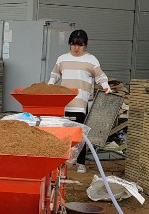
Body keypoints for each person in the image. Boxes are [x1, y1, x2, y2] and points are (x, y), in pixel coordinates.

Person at [48, 28, 112, 173]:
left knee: (80, 133)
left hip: (80, 103)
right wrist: (49, 86)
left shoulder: (91, 60)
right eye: (73, 44)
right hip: (64, 103)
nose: (76, 48)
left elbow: (100, 76)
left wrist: (106, 86)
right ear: (69, 44)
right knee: (63, 133)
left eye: (80, 45)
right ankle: (62, 161)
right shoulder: (62, 59)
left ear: (85, 45)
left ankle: (81, 162)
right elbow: (54, 75)